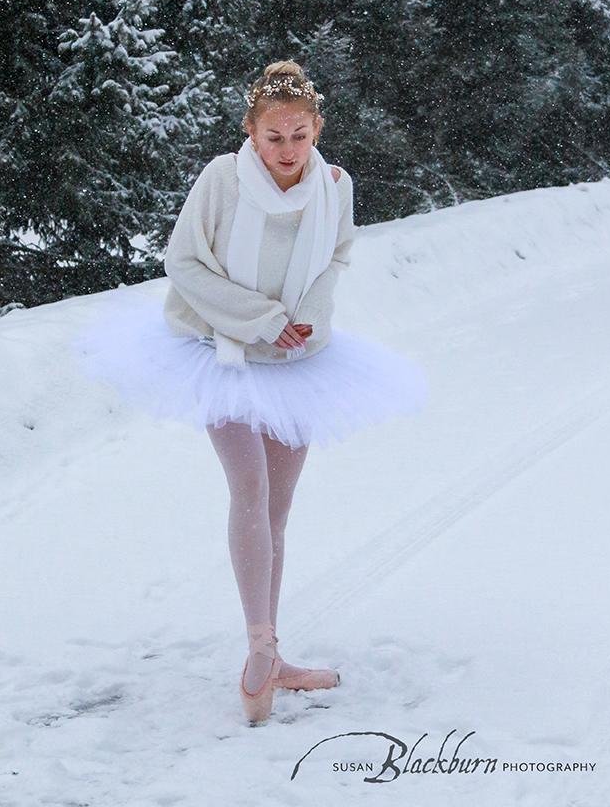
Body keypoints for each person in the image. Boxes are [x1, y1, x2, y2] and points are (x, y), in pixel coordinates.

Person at [77, 59, 425, 725]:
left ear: (316, 128)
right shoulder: (220, 180)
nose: (288, 150)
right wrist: (265, 320)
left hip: (297, 361)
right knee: (250, 489)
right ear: (251, 132)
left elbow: (338, 256)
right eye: (275, 138)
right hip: (223, 352)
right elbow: (183, 262)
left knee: (278, 509)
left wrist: (308, 322)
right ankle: (259, 650)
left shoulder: (334, 185)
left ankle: (272, 645)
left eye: (299, 135)